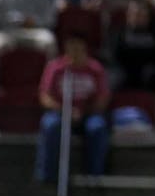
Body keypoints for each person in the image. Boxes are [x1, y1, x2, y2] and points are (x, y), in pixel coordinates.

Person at [35, 35, 109, 183]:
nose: (75, 52)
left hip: (87, 113)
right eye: (71, 48)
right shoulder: (55, 67)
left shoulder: (95, 69)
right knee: (51, 126)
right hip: (60, 113)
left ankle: (94, 176)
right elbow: (45, 97)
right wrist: (64, 110)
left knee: (97, 127)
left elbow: (103, 98)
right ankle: (47, 176)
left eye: (78, 48)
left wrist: (84, 111)